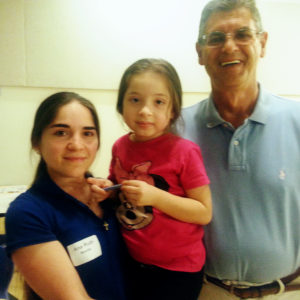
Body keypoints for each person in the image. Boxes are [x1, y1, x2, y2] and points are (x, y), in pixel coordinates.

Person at [177, 0, 300, 299]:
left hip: (288, 292)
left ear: (262, 43)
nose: (229, 46)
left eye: (242, 34)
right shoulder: (175, 131)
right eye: (216, 38)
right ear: (200, 53)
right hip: (207, 292)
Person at [5, 92, 128, 300]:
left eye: (88, 133)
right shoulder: (28, 213)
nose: (77, 145)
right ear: (37, 142)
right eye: (61, 133)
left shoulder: (107, 196)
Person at [107, 58, 212, 300]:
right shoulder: (120, 147)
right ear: (121, 105)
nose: (145, 110)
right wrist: (106, 187)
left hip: (179, 271)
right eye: (135, 100)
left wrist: (155, 196)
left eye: (158, 102)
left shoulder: (185, 151)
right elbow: (117, 187)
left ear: (173, 110)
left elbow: (203, 212)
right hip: (132, 261)